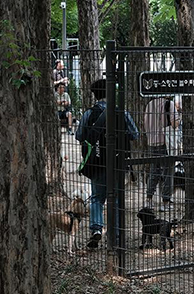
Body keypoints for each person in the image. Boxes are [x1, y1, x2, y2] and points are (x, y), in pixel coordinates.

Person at [76, 79, 139, 248]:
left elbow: (79, 136)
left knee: (97, 198)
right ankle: (116, 235)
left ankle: (96, 229)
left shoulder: (89, 114)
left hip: (96, 163)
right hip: (118, 162)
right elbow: (135, 134)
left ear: (95, 94)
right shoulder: (121, 112)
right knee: (117, 198)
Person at [144, 96, 180, 211]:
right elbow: (174, 124)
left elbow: (145, 124)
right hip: (165, 142)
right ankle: (166, 201)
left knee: (154, 170)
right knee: (168, 171)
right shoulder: (169, 104)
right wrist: (180, 117)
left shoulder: (149, 104)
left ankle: (149, 199)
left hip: (151, 142)